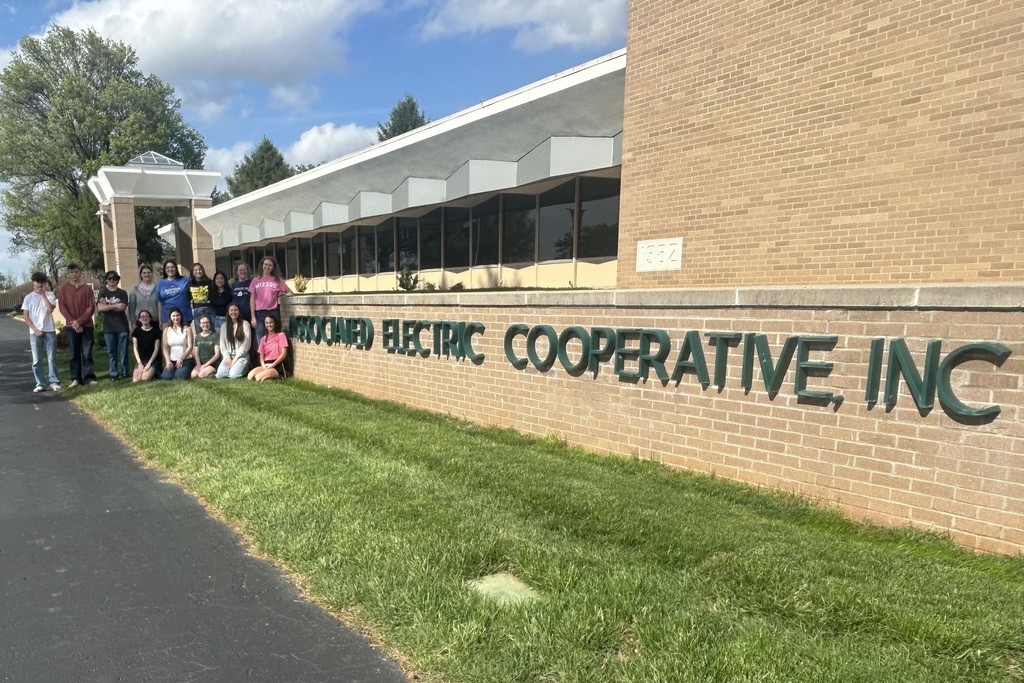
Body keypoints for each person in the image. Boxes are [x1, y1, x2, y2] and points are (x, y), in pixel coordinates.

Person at [57, 263, 98, 387]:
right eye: (71, 272)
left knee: (87, 353)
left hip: (87, 326)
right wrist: (74, 323)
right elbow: (62, 307)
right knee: (74, 353)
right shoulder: (63, 289)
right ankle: (75, 379)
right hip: (71, 327)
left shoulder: (87, 289)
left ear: (80, 273)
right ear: (68, 274)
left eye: (76, 272)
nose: (74, 274)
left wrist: (79, 322)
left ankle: (89, 377)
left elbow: (91, 308)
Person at [22, 272, 61, 393]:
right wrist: (35, 330)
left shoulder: (50, 295)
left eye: (42, 282)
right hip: (35, 332)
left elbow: (50, 309)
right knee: (37, 359)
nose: (39, 284)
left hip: (49, 330)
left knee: (51, 358)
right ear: (33, 282)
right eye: (37, 282)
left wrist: (43, 295)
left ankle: (54, 381)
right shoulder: (28, 297)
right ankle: (40, 383)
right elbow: (26, 316)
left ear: (45, 283)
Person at [248, 256, 291, 345]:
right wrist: (253, 317)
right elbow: (252, 299)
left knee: (274, 339)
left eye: (270, 265)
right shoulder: (255, 281)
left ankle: (275, 358)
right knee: (261, 340)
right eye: (265, 264)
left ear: (273, 267)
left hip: (273, 312)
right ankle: (263, 358)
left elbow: (289, 291)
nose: (267, 267)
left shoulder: (277, 280)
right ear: (262, 265)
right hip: (259, 313)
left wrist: (286, 294)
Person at [96, 270, 130, 380]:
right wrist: (115, 306)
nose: (112, 280)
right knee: (112, 353)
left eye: (114, 278)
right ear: (106, 280)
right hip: (108, 327)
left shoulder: (122, 293)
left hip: (122, 326)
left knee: (123, 352)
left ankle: (125, 372)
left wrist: (108, 305)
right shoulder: (103, 292)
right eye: (109, 278)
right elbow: (100, 308)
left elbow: (123, 308)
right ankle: (114, 374)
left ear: (118, 280)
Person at [216, 303, 252, 379]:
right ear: (228, 312)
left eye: (236, 310)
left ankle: (246, 368)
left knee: (233, 375)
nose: (233, 312)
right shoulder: (224, 326)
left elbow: (246, 344)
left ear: (239, 312)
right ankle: (233, 368)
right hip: (229, 356)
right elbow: (223, 345)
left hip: (241, 356)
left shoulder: (245, 324)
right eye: (231, 310)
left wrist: (235, 359)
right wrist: (227, 358)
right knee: (220, 375)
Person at [247, 315, 288, 381]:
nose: (269, 324)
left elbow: (284, 353)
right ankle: (268, 377)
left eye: (271, 322)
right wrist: (263, 366)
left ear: (275, 323)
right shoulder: (263, 339)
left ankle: (277, 377)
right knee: (250, 376)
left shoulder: (281, 335)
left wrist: (272, 365)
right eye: (267, 323)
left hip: (277, 365)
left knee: (258, 377)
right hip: (266, 364)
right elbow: (261, 357)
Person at [160, 307, 195, 380]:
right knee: (166, 377)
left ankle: (187, 370)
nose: (176, 318)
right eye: (173, 316)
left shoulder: (187, 329)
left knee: (179, 377)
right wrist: (167, 360)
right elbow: (165, 348)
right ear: (170, 317)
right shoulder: (166, 330)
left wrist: (182, 358)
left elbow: (190, 347)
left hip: (186, 359)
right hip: (172, 360)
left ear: (181, 316)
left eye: (177, 315)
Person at [156, 259, 191, 326]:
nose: (170, 269)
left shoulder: (185, 280)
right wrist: (160, 320)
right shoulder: (160, 283)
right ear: (164, 270)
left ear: (176, 268)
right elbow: (159, 303)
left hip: (184, 316)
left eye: (172, 267)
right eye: (167, 268)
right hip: (167, 318)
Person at [131, 310, 161, 382]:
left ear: (150, 318)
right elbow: (135, 348)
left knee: (145, 378)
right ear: (139, 319)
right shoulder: (136, 331)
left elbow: (156, 349)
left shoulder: (156, 331)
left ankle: (156, 372)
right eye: (142, 316)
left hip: (153, 360)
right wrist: (139, 363)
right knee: (136, 380)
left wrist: (149, 363)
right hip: (141, 360)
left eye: (147, 316)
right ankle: (148, 372)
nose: (145, 318)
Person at [187, 262, 213, 330]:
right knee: (199, 331)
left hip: (208, 308)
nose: (198, 271)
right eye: (195, 270)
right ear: (192, 272)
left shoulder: (209, 282)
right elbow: (188, 297)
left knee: (211, 330)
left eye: (200, 269)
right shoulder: (190, 283)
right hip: (197, 310)